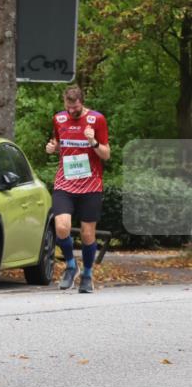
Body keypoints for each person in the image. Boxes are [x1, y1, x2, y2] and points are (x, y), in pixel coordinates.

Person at [45, 85, 110, 293]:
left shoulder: (97, 120)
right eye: (68, 106)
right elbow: (58, 143)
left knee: (88, 234)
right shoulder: (59, 119)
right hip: (65, 182)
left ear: (82, 102)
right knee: (61, 227)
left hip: (91, 184)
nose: (71, 111)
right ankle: (71, 266)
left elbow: (106, 154)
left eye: (75, 107)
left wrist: (93, 142)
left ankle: (88, 274)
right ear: (64, 102)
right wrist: (53, 148)